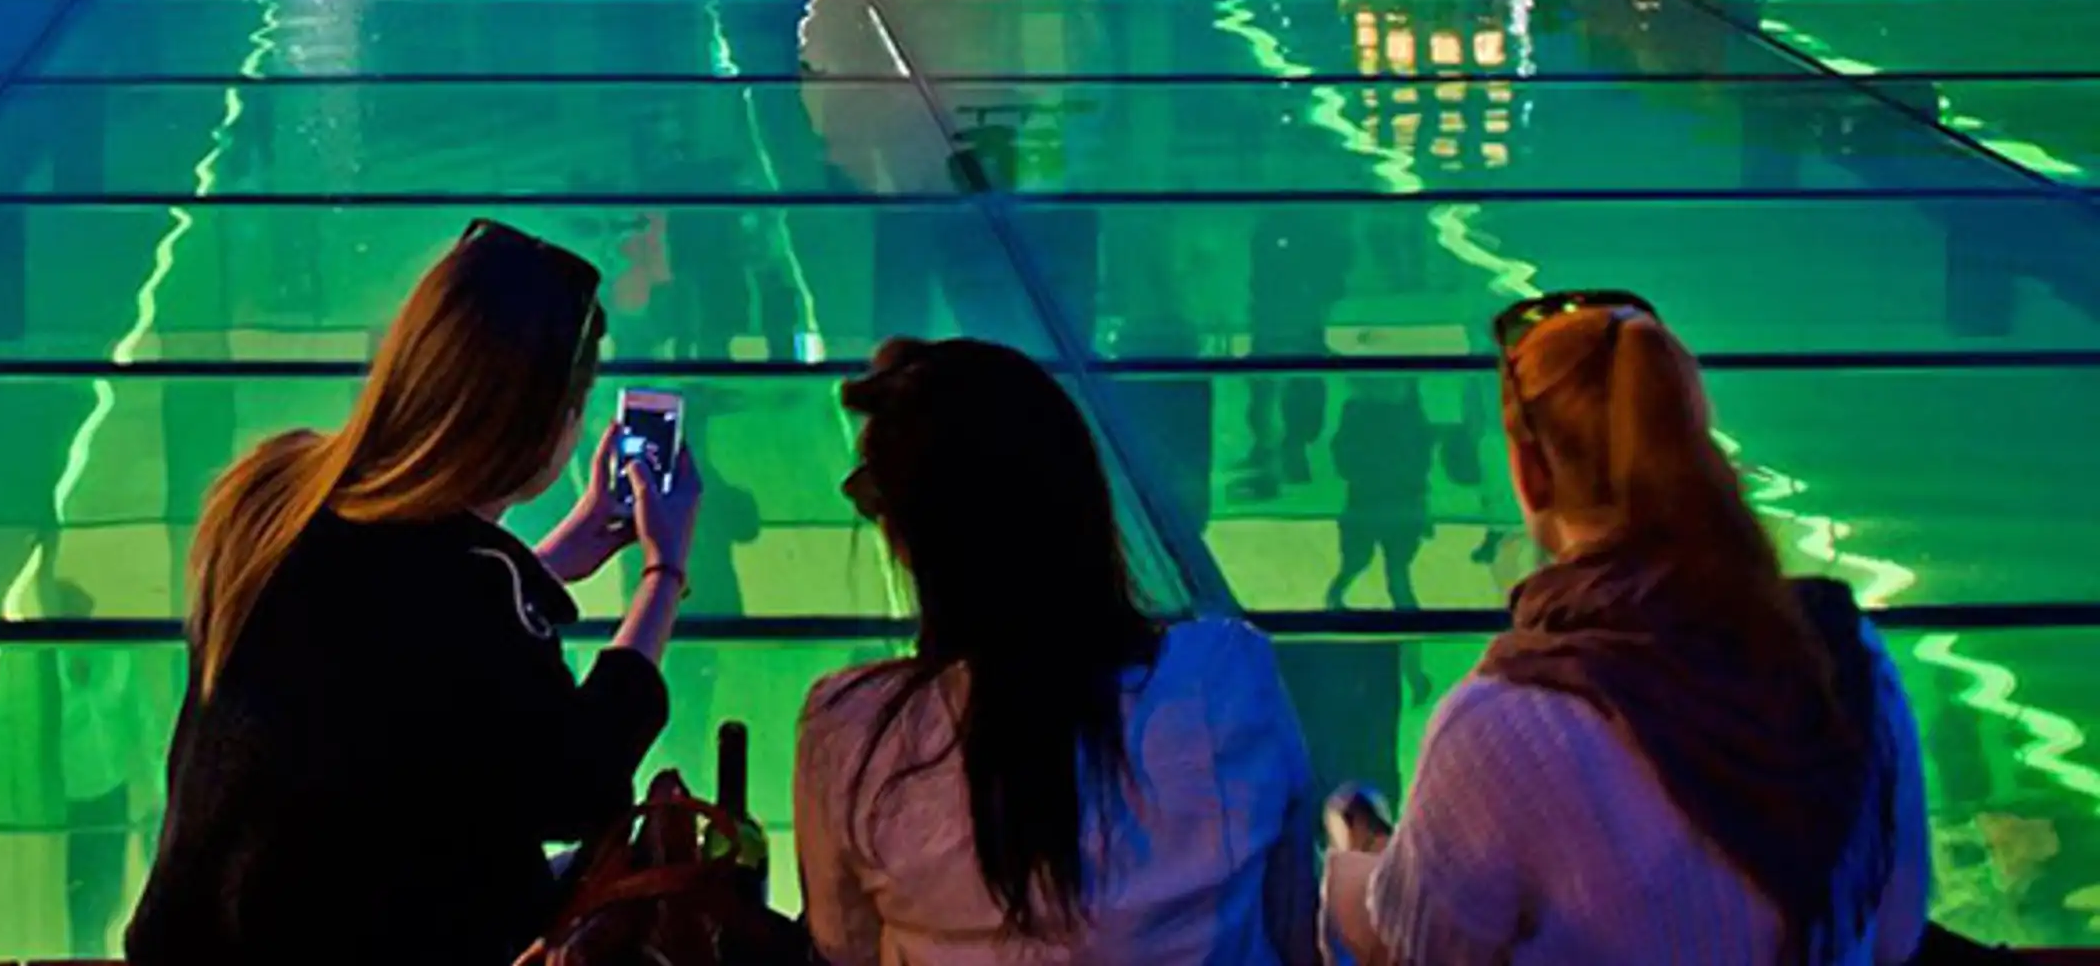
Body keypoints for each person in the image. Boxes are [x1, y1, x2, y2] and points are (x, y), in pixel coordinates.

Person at [127, 221, 693, 966]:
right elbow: (576, 781)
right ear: (535, 423)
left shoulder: (273, 495)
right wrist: (664, 572)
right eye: (575, 402)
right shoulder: (469, 586)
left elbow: (391, 656)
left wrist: (550, 559)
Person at [1326, 292, 1930, 966]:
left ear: (1528, 471)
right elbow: (1896, 932)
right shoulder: (1847, 659)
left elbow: (1422, 954)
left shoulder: (1503, 729)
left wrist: (1345, 880)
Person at [796, 338, 1315, 965]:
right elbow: (1292, 932)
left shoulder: (852, 734)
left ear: (907, 542)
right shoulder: (1230, 679)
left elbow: (843, 948)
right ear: (1084, 496)